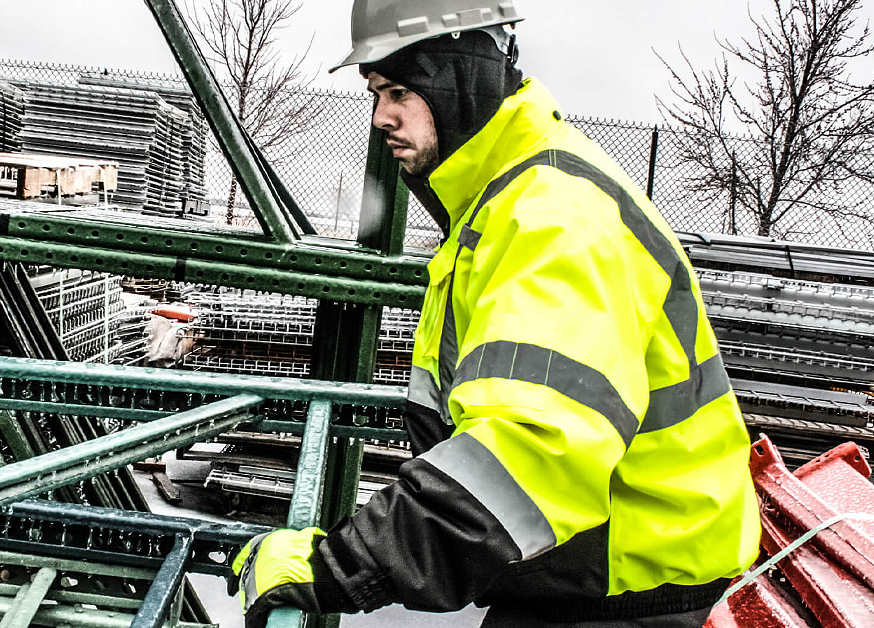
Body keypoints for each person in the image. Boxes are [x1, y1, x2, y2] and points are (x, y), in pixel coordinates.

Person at [229, 1, 761, 627]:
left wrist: (336, 567)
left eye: (399, 89)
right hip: (588, 581)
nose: (380, 118)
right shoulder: (509, 202)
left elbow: (526, 452)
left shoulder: (552, 220)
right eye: (376, 92)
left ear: (463, 75)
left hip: (620, 603)